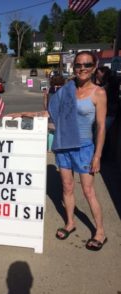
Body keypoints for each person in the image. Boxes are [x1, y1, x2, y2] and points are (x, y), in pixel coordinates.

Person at [7, 51, 107, 251]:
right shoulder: (66, 90)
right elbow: (50, 114)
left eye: (87, 64)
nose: (82, 68)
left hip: (84, 148)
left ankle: (100, 232)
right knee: (67, 188)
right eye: (78, 65)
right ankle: (70, 222)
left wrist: (97, 155)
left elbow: (102, 126)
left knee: (88, 191)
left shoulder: (99, 93)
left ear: (94, 67)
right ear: (74, 67)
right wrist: (24, 114)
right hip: (63, 147)